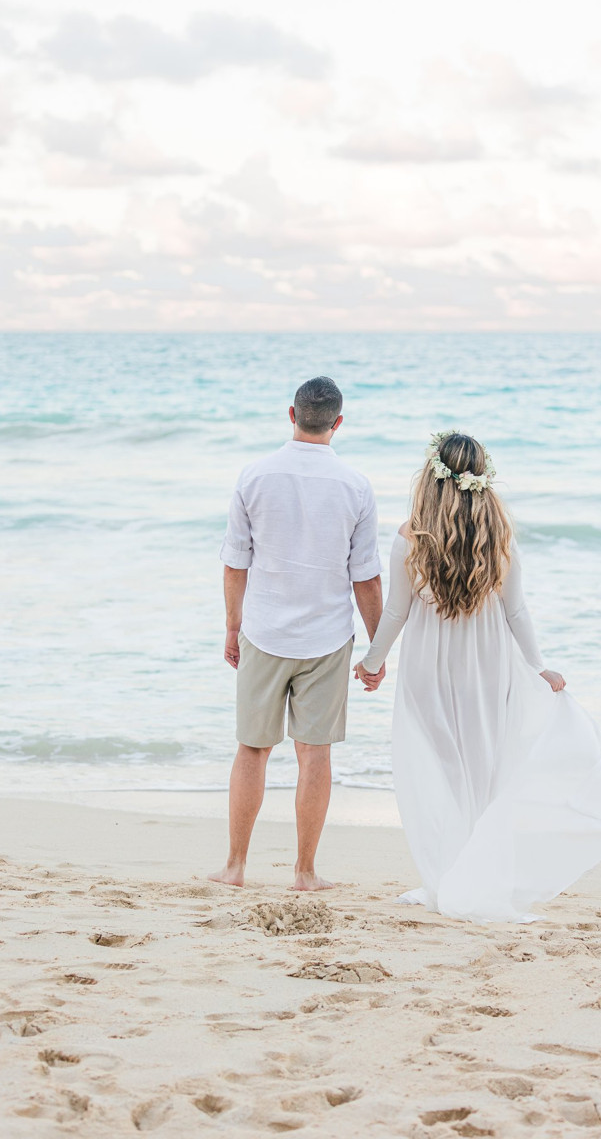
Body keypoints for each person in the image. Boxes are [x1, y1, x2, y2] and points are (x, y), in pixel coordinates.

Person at [354, 430, 601, 923]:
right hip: (487, 667)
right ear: (483, 477)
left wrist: (373, 661)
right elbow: (517, 612)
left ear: (431, 476)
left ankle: (446, 877)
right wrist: (536, 667)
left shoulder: (411, 535)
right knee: (484, 772)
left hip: (428, 669)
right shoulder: (499, 533)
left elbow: (398, 613)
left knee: (439, 771)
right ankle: (475, 876)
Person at [211, 377, 384, 891]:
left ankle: (236, 867)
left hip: (264, 631)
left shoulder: (254, 475)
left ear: (292, 414)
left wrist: (233, 626)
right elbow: (366, 577)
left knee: (251, 749)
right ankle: (305, 873)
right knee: (315, 754)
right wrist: (377, 648)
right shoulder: (355, 485)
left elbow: (234, 564)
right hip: (328, 637)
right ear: (338, 422)